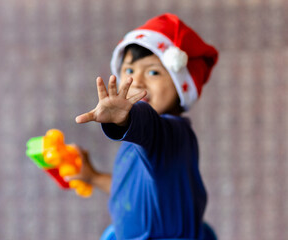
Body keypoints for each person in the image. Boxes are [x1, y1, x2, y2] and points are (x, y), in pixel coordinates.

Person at [68, 13, 219, 239]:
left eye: (153, 72)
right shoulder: (141, 141)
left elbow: (149, 125)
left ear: (182, 86)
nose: (136, 81)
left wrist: (127, 119)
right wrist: (94, 177)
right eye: (129, 70)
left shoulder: (171, 135)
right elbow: (135, 197)